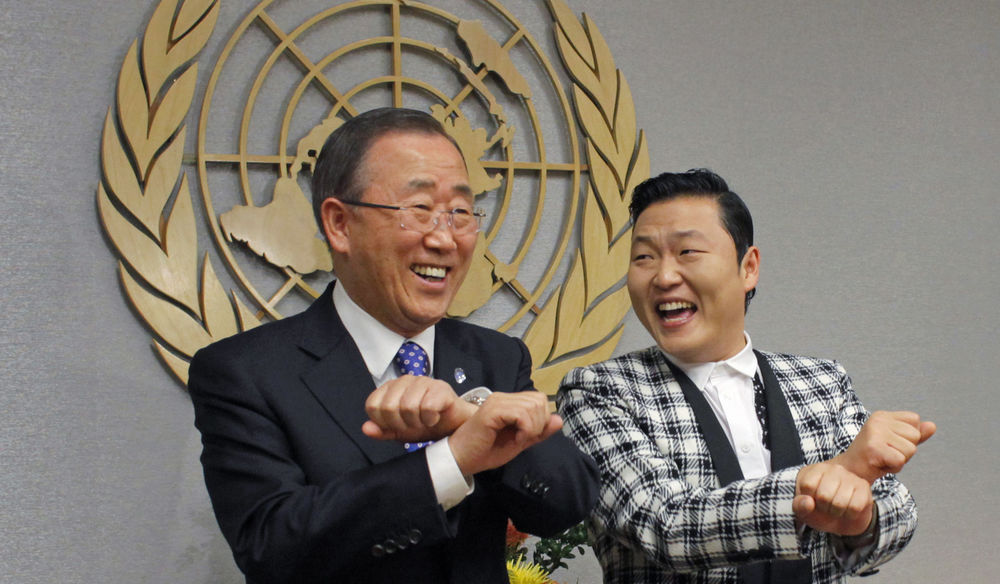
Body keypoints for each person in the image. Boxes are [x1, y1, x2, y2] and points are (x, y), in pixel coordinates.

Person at [189, 107, 599, 584]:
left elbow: (564, 505)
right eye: (419, 210)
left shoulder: (496, 357)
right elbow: (271, 546)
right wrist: (450, 460)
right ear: (340, 224)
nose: (444, 238)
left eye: (461, 213)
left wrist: (473, 416)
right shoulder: (245, 372)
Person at [557, 169, 935, 584]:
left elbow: (895, 510)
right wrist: (815, 486)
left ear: (748, 267)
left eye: (687, 252)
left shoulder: (821, 381)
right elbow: (663, 525)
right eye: (644, 257)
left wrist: (861, 519)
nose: (664, 277)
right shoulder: (597, 392)